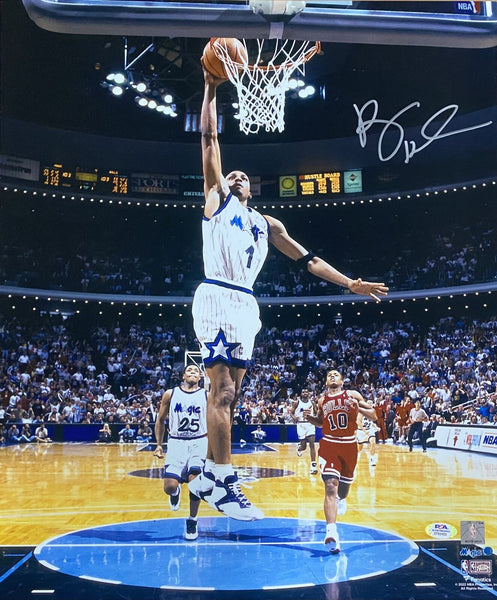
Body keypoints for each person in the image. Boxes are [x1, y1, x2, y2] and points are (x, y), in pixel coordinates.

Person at [188, 64, 389, 522]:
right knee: (221, 391)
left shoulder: (268, 224)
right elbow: (209, 140)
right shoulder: (216, 200)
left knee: (231, 396)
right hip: (217, 293)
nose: (236, 176)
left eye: (242, 176)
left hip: (246, 303)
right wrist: (210, 87)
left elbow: (309, 260)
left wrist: (350, 283)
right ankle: (224, 481)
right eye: (231, 174)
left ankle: (207, 475)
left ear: (252, 188)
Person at [305, 369, 378, 553]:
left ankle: (341, 499)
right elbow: (321, 422)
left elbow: (374, 415)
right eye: (329, 374)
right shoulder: (321, 400)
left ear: (342, 381)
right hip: (329, 444)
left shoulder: (353, 394)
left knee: (343, 491)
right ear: (325, 382)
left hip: (349, 446)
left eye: (335, 374)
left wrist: (358, 407)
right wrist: (309, 418)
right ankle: (331, 533)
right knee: (330, 485)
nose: (332, 376)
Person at [154, 364, 207, 541]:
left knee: (195, 483)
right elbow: (160, 420)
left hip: (199, 441)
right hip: (176, 442)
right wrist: (159, 444)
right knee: (169, 486)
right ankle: (175, 493)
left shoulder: (206, 395)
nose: (193, 372)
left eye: (196, 371)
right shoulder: (170, 394)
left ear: (200, 377)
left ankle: (192, 520)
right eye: (189, 370)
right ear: (183, 376)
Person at [290, 389, 318, 474]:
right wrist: (294, 418)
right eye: (303, 392)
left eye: (306, 392)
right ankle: (299, 448)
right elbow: (291, 413)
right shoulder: (296, 403)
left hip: (310, 424)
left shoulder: (312, 403)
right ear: (301, 394)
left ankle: (313, 466)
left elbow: (316, 413)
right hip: (301, 425)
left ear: (308, 394)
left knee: (312, 444)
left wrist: (315, 418)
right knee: (304, 447)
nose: (305, 393)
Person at [356, 400, 379, 467]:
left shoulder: (372, 412)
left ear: (372, 404)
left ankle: (372, 459)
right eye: (368, 403)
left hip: (369, 430)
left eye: (371, 403)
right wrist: (364, 431)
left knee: (373, 442)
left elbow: (371, 422)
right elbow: (358, 421)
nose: (369, 404)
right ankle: (357, 455)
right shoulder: (362, 412)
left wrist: (376, 427)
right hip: (361, 431)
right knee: (360, 447)